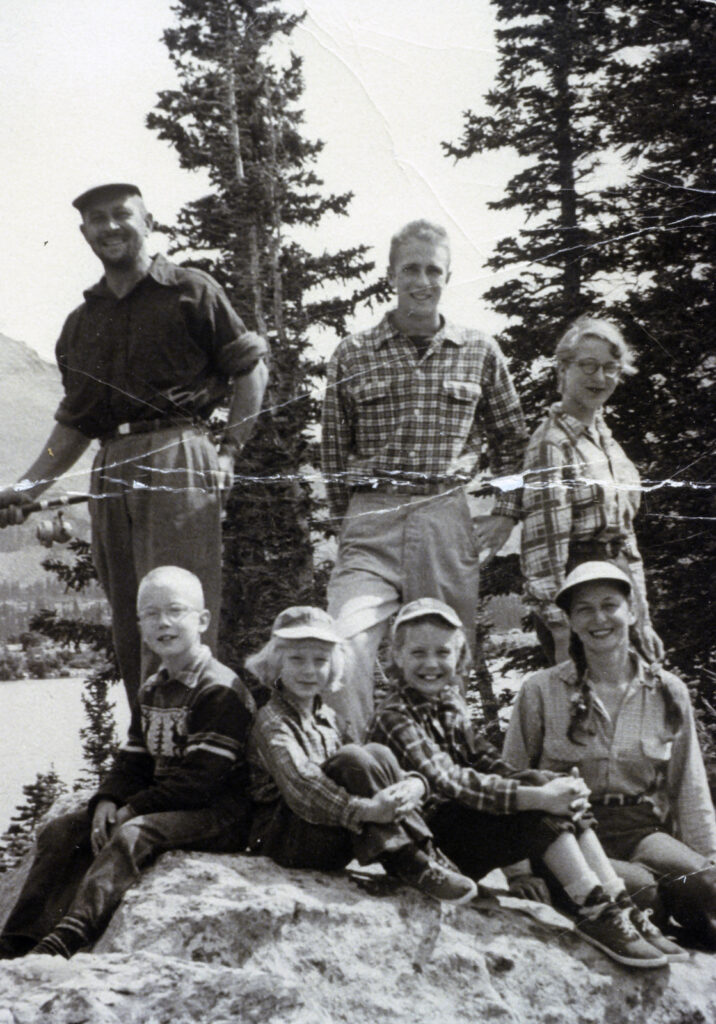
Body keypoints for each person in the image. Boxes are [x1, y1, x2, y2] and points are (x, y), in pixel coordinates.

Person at [0, 183, 269, 706]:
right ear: (85, 235)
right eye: (97, 220)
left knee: (177, 607)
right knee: (133, 618)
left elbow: (251, 374)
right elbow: (75, 424)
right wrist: (26, 490)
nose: (110, 227)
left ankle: (198, 749)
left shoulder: (191, 290)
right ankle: (149, 746)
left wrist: (230, 451)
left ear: (149, 221)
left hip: (177, 455)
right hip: (110, 468)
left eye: (122, 214)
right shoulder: (82, 323)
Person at [369, 597, 684, 967]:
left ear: (459, 656)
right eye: (418, 653)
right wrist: (537, 797)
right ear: (397, 657)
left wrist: (554, 785)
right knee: (536, 809)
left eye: (442, 652)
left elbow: (486, 761)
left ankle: (619, 903)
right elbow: (452, 782)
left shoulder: (448, 702)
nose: (431, 663)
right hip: (428, 853)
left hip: (457, 833)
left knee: (541, 784)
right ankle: (594, 910)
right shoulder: (393, 715)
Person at [321, 219, 527, 739]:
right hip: (373, 521)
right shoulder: (352, 353)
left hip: (444, 519)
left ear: (448, 275)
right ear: (390, 274)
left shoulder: (480, 350)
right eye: (410, 268)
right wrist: (353, 521)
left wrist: (504, 514)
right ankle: (365, 772)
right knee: (343, 650)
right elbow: (333, 454)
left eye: (432, 270)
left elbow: (514, 442)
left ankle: (444, 788)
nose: (422, 280)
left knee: (443, 665)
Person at [0, 566, 256, 960]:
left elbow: (200, 782)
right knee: (62, 830)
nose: (163, 623)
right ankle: (18, 938)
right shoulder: (153, 686)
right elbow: (134, 758)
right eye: (150, 614)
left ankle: (73, 932)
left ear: (202, 620)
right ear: (139, 623)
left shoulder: (219, 689)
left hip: (218, 813)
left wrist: (132, 808)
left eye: (175, 611)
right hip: (169, 803)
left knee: (133, 834)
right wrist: (108, 799)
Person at [503, 561, 716, 950]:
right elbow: (510, 777)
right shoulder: (541, 690)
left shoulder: (668, 690)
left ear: (631, 612)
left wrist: (708, 860)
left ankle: (672, 914)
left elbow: (689, 785)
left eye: (610, 605)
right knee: (642, 892)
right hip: (567, 837)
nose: (599, 618)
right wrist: (517, 872)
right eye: (584, 609)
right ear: (569, 620)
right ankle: (649, 912)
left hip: (641, 831)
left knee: (702, 884)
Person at [246, 605, 478, 904]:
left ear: (334, 665)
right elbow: (303, 787)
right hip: (284, 841)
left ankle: (425, 857)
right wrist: (368, 811)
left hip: (329, 832)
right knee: (351, 758)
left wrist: (415, 783)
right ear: (276, 664)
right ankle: (412, 863)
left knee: (376, 752)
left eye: (320, 660)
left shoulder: (328, 716)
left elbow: (371, 769)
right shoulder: (272, 720)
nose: (309, 670)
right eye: (296, 658)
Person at [521, 315, 663, 666]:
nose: (599, 378)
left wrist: (641, 617)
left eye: (611, 367)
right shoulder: (551, 444)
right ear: (563, 370)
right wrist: (560, 631)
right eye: (588, 366)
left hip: (616, 591)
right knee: (586, 711)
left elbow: (625, 538)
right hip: (577, 597)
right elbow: (544, 552)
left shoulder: (605, 439)